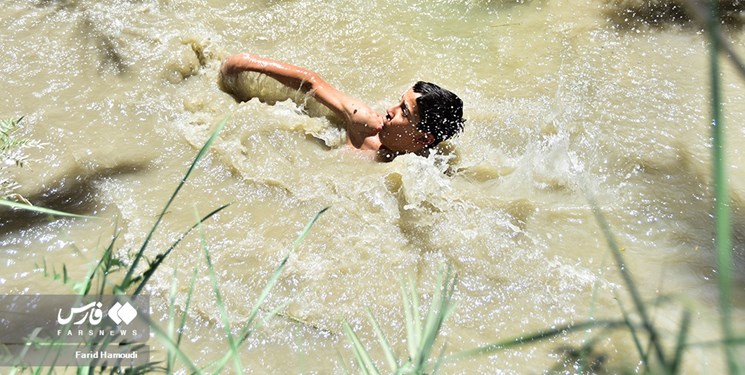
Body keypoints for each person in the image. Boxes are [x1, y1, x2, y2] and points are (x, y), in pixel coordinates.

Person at [220, 53, 465, 161]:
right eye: (399, 102)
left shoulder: (427, 173)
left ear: (424, 140)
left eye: (404, 111)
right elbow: (312, 83)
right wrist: (249, 63)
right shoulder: (365, 123)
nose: (390, 109)